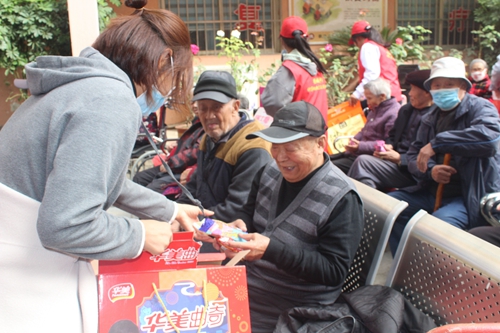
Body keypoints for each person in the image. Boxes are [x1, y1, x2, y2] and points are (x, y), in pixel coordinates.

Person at [0, 1, 210, 332]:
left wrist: (168, 210)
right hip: (24, 285)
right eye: (176, 77)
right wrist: (139, 234)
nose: (170, 91)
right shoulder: (110, 101)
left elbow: (86, 176)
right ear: (161, 62)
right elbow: (65, 227)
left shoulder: (79, 86)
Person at [210, 101, 364, 332]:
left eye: (291, 147)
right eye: (275, 146)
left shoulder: (342, 198)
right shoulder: (268, 171)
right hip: (247, 285)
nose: (280, 157)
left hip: (294, 307)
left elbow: (333, 270)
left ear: (320, 144)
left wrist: (270, 250)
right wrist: (240, 226)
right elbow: (248, 212)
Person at [387, 57, 500, 255]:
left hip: (466, 196)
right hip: (430, 191)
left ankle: (436, 280)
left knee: (438, 228)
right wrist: (431, 171)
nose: (442, 89)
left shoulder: (480, 108)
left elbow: (490, 139)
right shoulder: (430, 116)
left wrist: (439, 142)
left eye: (449, 84)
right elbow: (414, 154)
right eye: (437, 85)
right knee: (390, 208)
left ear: (463, 86)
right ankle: (404, 268)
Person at [176, 70, 272, 223]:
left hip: (236, 232)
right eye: (203, 108)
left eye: (216, 107)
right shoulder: (209, 137)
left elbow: (236, 209)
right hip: (208, 222)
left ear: (235, 107)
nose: (208, 116)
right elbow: (195, 185)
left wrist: (190, 220)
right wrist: (177, 213)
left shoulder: (253, 145)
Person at [348, 70, 437, 189]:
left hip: (412, 170)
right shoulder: (406, 110)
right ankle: (367, 204)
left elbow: (429, 154)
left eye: (413, 89)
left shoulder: (436, 117)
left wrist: (401, 159)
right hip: (393, 161)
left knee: (363, 163)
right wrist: (388, 146)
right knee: (364, 175)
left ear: (427, 92)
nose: (409, 94)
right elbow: (392, 136)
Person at [261, 16, 329, 120]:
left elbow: (272, 103)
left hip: (298, 133)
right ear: (306, 39)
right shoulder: (316, 66)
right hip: (320, 133)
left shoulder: (289, 69)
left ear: (282, 41)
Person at [132, 101, 204, 197]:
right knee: (139, 178)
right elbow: (190, 144)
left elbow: (195, 152)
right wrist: (178, 145)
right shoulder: (197, 121)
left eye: (198, 102)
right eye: (193, 102)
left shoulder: (209, 126)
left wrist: (171, 163)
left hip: (185, 168)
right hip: (176, 164)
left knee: (152, 191)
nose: (194, 105)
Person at [331, 77, 399, 174]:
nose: (367, 102)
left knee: (330, 167)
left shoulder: (393, 113)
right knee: (323, 160)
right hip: (357, 153)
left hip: (370, 158)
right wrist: (353, 141)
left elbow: (387, 144)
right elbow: (364, 131)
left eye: (369, 98)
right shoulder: (375, 109)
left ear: (382, 97)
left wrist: (360, 146)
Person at [349, 20, 402, 107]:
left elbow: (372, 74)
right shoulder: (380, 47)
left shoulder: (367, 47)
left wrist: (357, 93)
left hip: (382, 98)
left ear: (358, 39)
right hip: (392, 95)